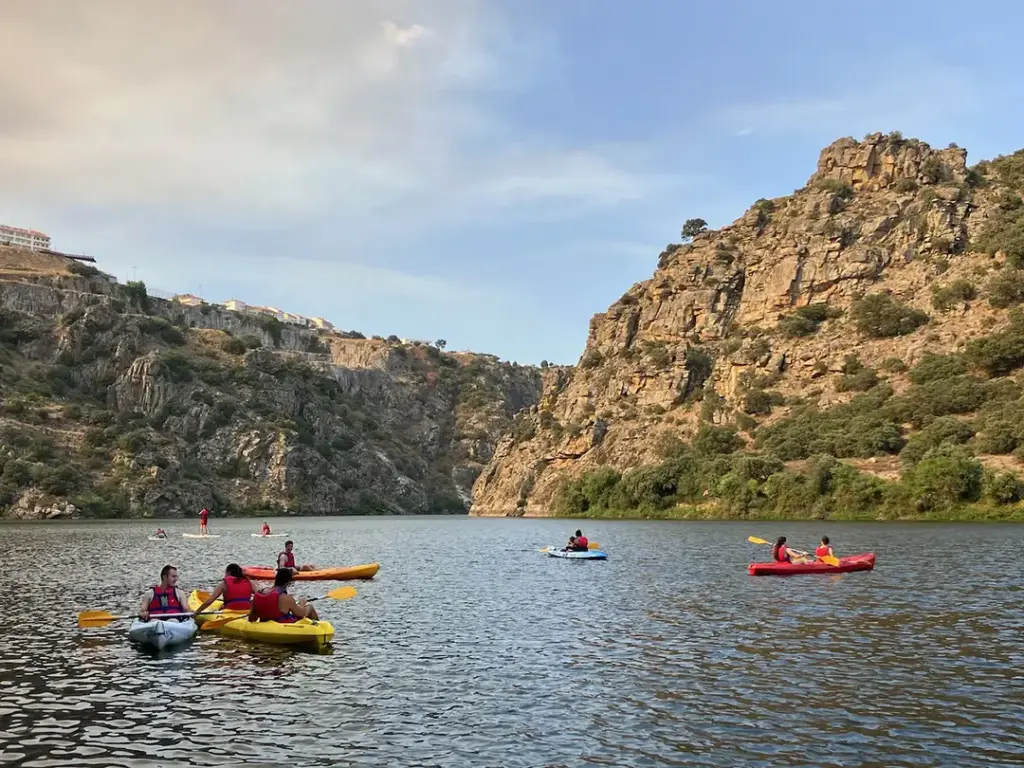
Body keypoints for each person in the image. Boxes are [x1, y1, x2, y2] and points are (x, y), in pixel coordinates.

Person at [249, 568, 319, 623]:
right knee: (310, 607)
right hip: (282, 626)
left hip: (264, 624)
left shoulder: (259, 593)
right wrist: (302, 603)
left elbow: (251, 618)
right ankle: (320, 627)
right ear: (288, 582)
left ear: (276, 579)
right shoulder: (286, 598)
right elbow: (302, 614)